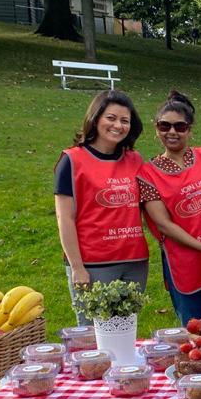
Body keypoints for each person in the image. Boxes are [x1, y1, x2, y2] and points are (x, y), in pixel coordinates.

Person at [54, 90, 149, 325]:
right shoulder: (72, 160)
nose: (118, 125)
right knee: (92, 337)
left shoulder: (135, 159)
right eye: (111, 118)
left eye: (124, 120)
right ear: (95, 119)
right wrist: (77, 268)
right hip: (93, 265)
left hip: (134, 262)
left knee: (126, 332)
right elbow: (64, 218)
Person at [137, 90, 201, 326]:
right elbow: (163, 225)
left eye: (180, 126)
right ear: (156, 128)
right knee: (196, 329)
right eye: (164, 126)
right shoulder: (148, 174)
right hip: (186, 263)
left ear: (190, 129)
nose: (172, 132)